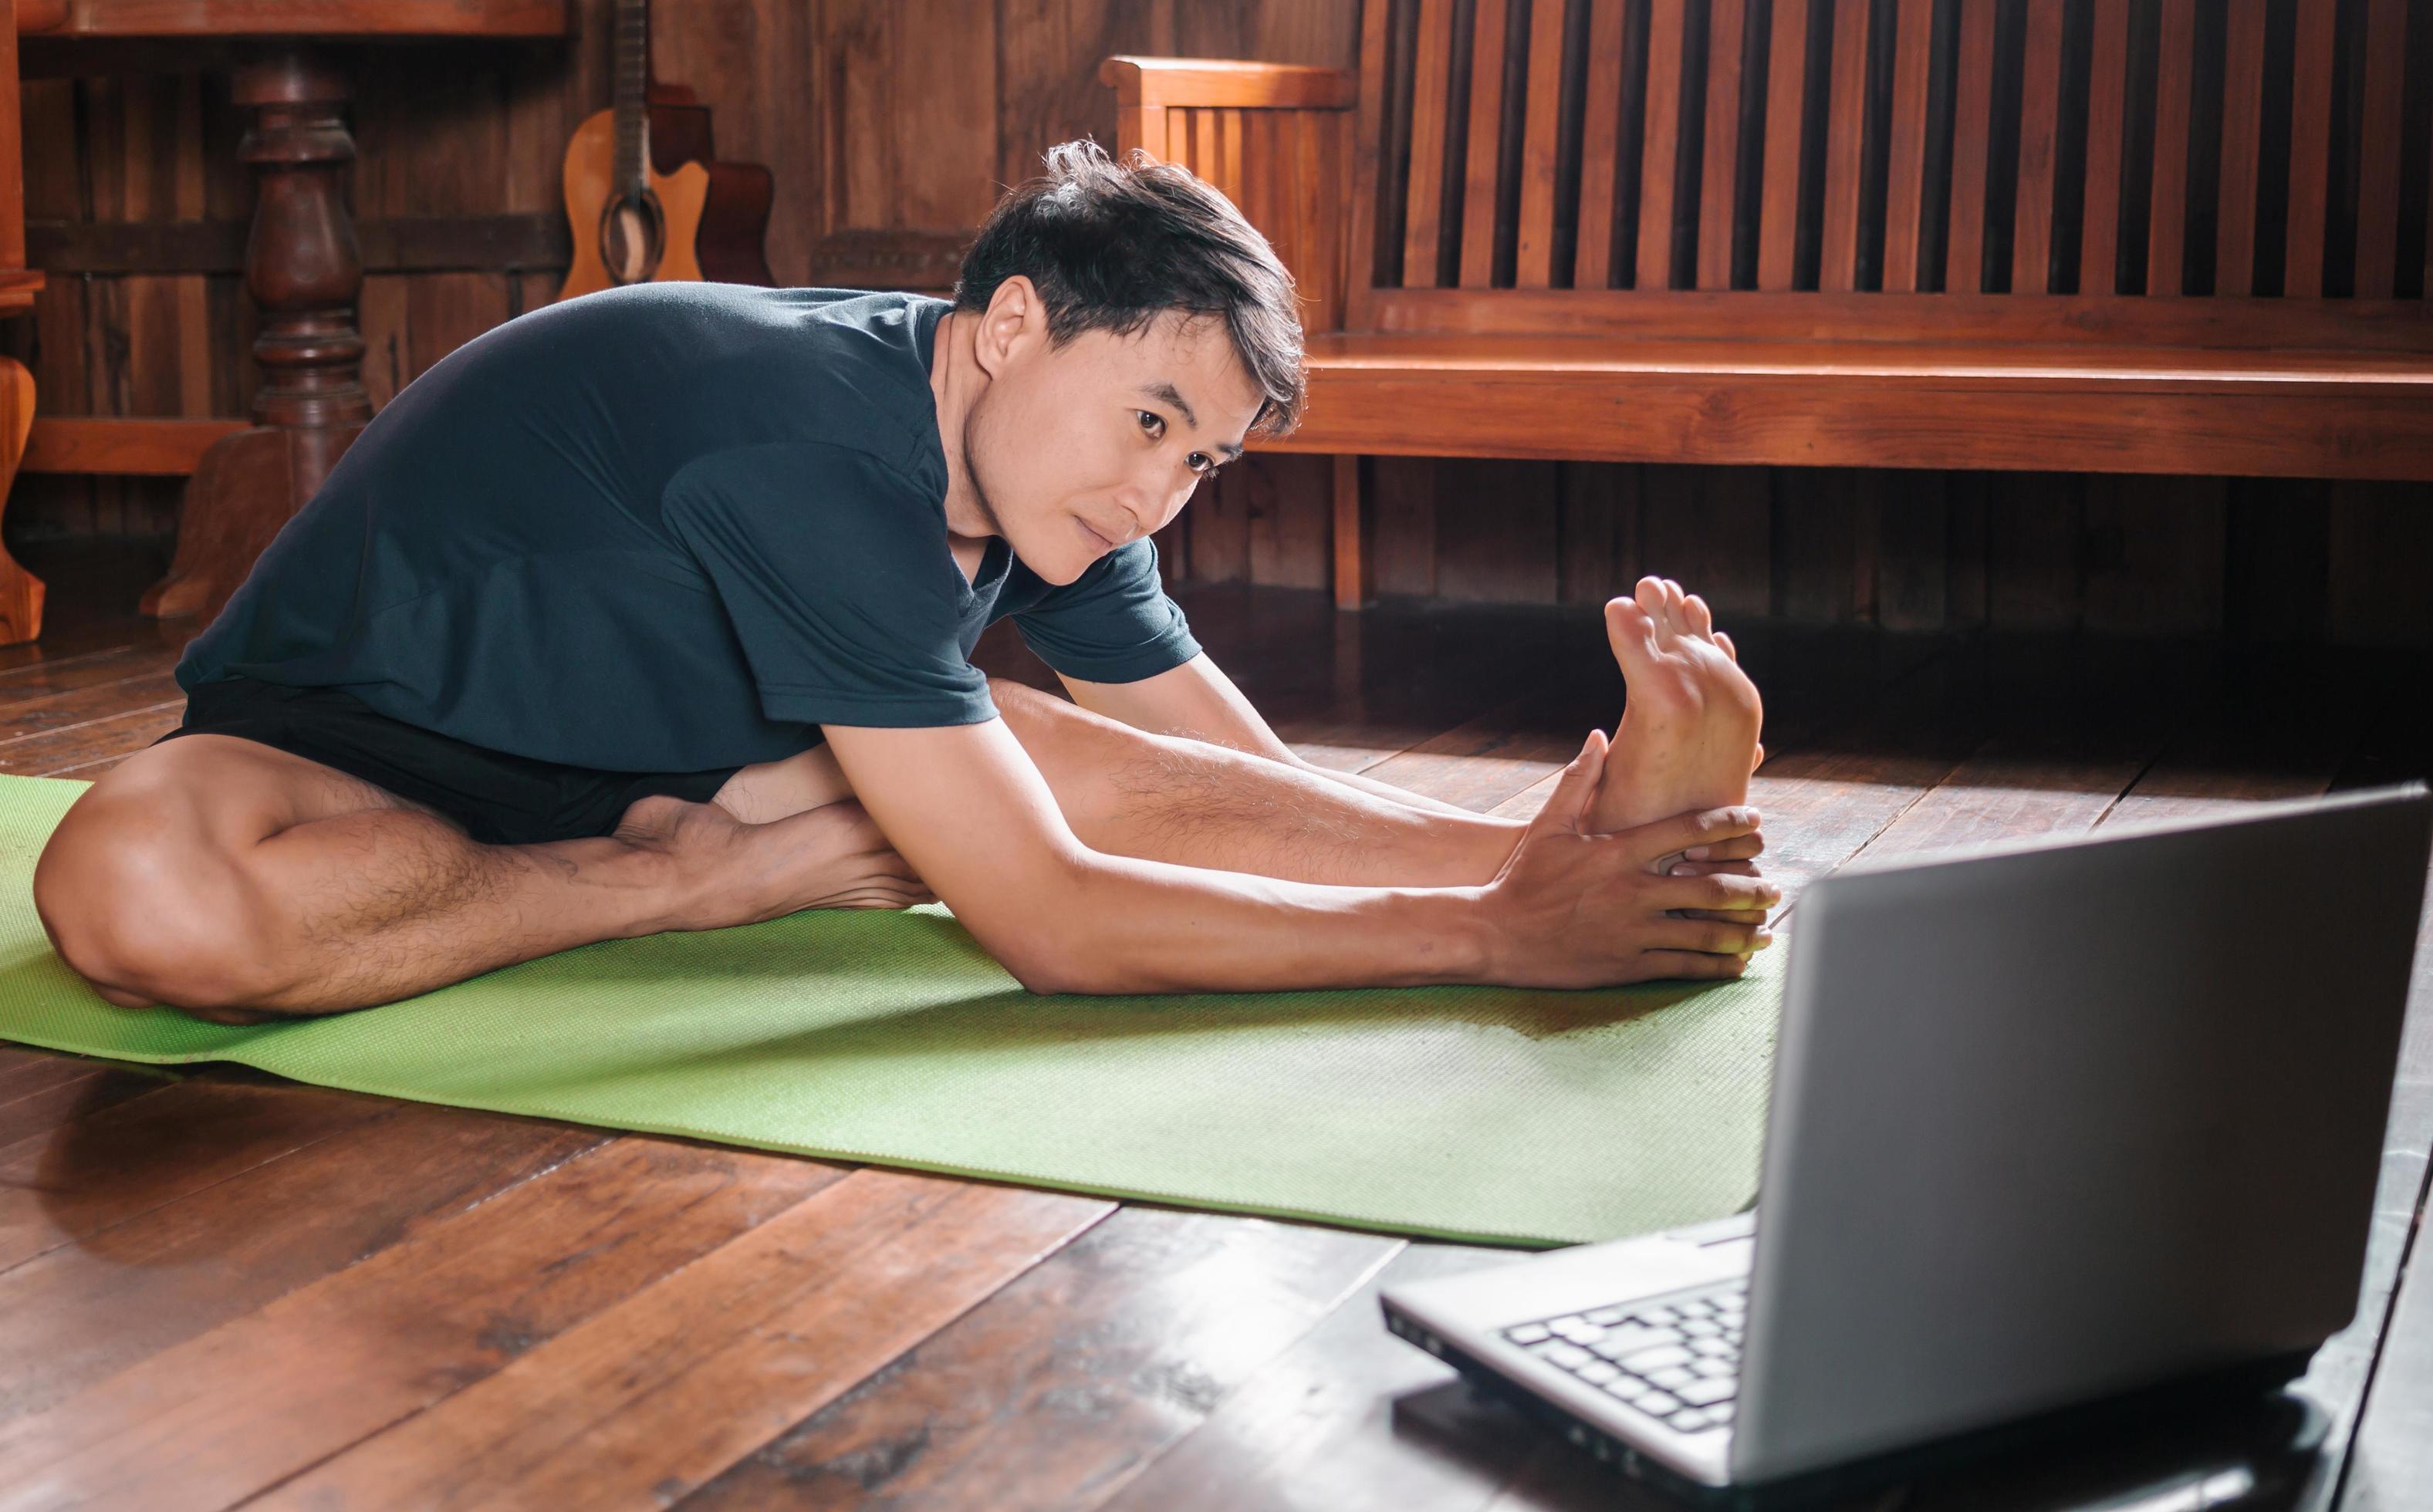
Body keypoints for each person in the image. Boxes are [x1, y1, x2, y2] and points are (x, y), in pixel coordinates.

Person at [31, 141, 1771, 1025]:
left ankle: (1621, 855)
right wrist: (1484, 939)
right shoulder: (807, 447)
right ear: (1011, 325)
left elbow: (1211, 769)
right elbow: (1054, 925)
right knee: (128, 903)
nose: (1159, 485)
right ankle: (663, 893)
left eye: (1203, 459)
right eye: (1151, 419)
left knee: (1057, 759)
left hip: (683, 746)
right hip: (354, 746)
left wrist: (1540, 851)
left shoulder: (1046, 467)